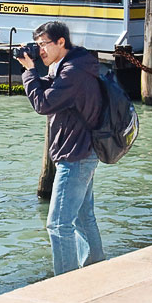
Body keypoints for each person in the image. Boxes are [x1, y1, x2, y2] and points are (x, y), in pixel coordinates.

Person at [16, 21, 105, 276]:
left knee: (57, 224)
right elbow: (53, 87)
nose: (40, 50)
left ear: (61, 42)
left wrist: (29, 71)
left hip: (75, 154)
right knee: (83, 218)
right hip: (84, 150)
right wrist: (33, 71)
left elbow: (43, 105)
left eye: (44, 44)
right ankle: (96, 271)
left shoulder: (73, 71)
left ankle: (66, 284)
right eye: (38, 45)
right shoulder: (75, 63)